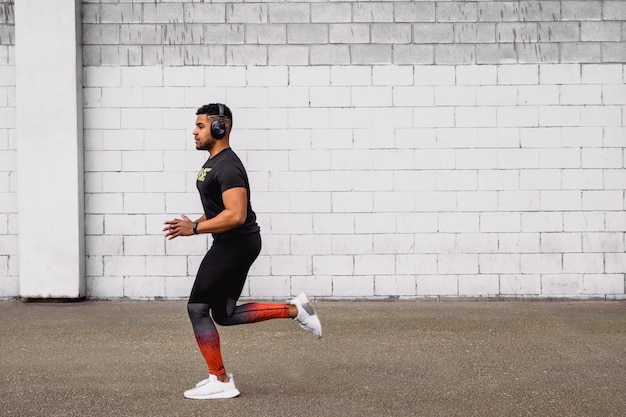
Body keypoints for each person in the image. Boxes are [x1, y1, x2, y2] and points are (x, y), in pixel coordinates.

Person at [163, 103, 322, 400]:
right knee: (223, 314)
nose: (194, 132)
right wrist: (194, 222)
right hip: (235, 243)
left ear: (220, 127)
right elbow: (221, 210)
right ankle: (295, 310)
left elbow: (235, 215)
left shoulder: (228, 166)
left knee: (197, 308)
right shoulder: (215, 163)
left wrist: (195, 230)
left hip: (235, 243)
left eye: (200, 126)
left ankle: (221, 380)